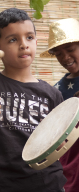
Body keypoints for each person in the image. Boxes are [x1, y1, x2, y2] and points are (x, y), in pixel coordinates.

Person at [0, 8, 66, 192]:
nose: (23, 45)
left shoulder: (52, 93)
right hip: (1, 184)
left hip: (48, 183)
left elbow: (59, 142)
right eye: (13, 39)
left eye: (29, 37)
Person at [40, 18, 79, 192]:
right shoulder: (57, 91)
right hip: (71, 164)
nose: (65, 57)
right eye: (58, 53)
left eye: (70, 49)